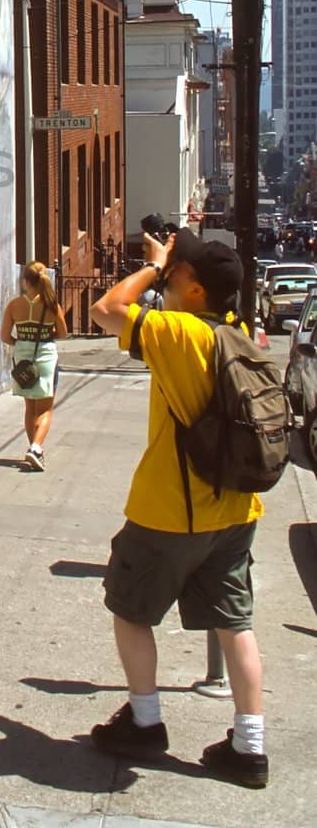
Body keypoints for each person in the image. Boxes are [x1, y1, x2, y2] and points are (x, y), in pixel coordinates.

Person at [89, 228, 268, 788]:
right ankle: (249, 746)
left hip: (170, 510)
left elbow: (105, 310)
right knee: (235, 623)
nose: (169, 281)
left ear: (195, 291)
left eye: (178, 277)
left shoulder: (179, 333)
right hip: (237, 510)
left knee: (131, 611)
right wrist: (170, 268)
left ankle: (145, 722)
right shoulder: (237, 332)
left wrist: (153, 266)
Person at [1, 263, 67, 472]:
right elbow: (63, 333)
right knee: (46, 408)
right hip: (46, 356)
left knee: (30, 408)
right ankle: (36, 448)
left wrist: (21, 344)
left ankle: (34, 448)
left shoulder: (14, 305)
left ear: (26, 281)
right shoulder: (51, 304)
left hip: (23, 358)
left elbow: (5, 336)